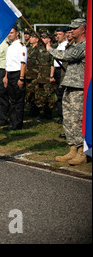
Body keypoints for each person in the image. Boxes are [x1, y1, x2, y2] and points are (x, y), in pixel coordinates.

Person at [47, 18, 87, 165]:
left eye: (74, 28)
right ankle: (72, 149)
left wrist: (49, 49)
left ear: (83, 29)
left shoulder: (85, 45)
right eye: (70, 29)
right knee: (68, 119)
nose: (71, 31)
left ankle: (82, 152)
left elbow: (67, 56)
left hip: (79, 88)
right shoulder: (75, 45)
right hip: (69, 86)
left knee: (77, 120)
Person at [3, 26, 27, 130]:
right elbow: (8, 63)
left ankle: (17, 123)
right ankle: (13, 122)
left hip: (18, 74)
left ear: (17, 33)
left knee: (18, 100)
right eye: (8, 33)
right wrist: (6, 76)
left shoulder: (21, 46)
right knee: (12, 100)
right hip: (10, 74)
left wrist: (21, 78)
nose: (9, 35)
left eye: (12, 33)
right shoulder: (10, 46)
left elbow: (23, 63)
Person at [51, 27, 69, 124]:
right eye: (56, 34)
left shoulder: (66, 45)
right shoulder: (57, 46)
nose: (57, 36)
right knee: (58, 94)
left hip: (63, 70)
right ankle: (60, 115)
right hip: (57, 70)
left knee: (62, 94)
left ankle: (64, 116)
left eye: (59, 34)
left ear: (65, 35)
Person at [0, 38, 10, 126]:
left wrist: (6, 75)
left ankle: (3, 118)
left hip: (3, 69)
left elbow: (8, 59)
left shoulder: (5, 44)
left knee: (2, 94)